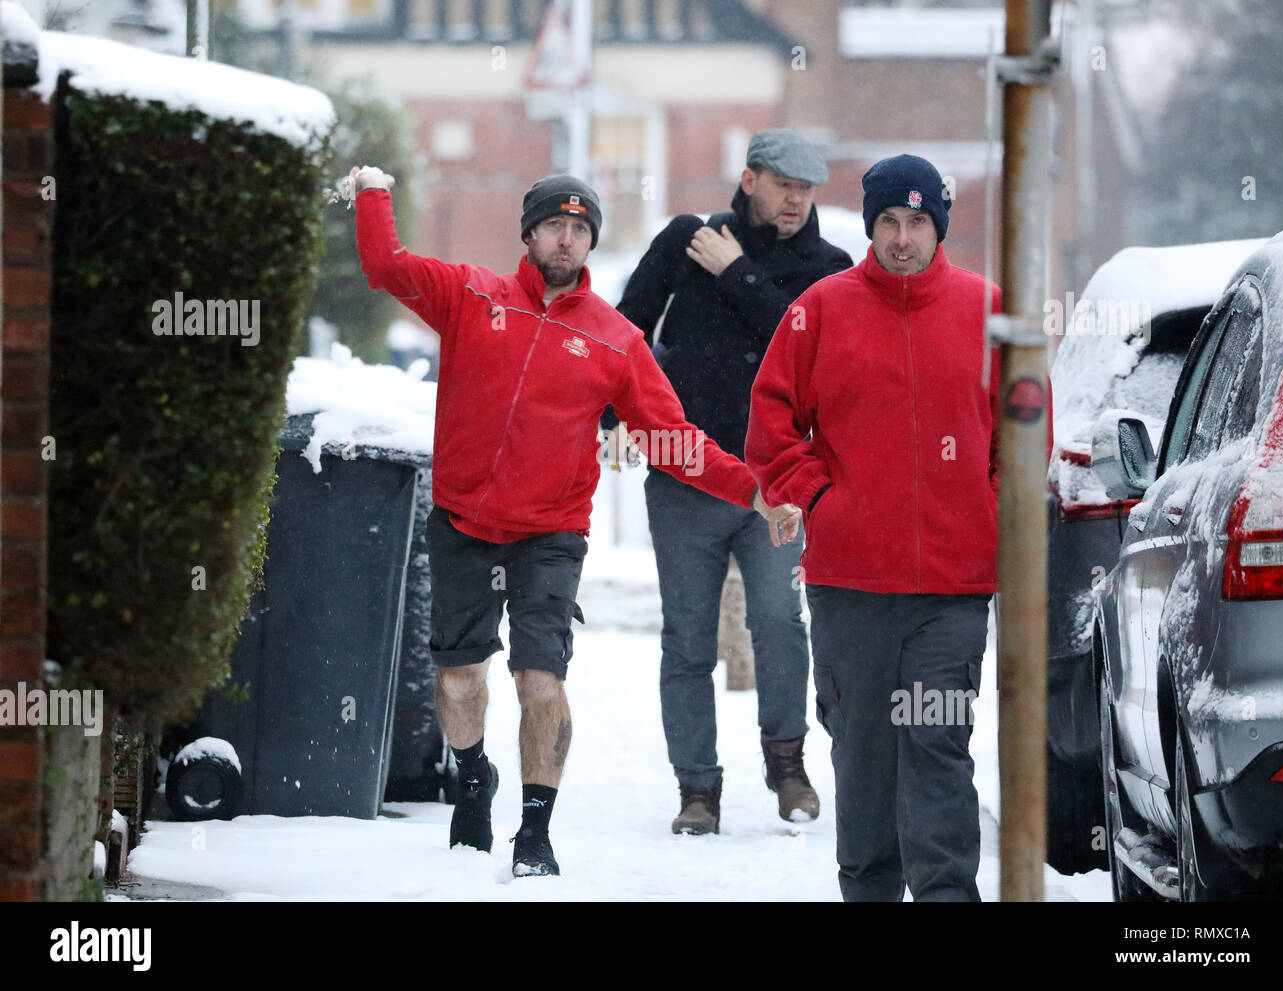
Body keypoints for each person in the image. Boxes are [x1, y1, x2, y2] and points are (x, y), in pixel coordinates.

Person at [349, 166, 801, 878]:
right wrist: (373, 192)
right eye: (555, 224)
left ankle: (535, 830)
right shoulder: (471, 295)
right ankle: (472, 778)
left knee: (539, 680)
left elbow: (672, 439)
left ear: (590, 242)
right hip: (465, 520)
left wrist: (753, 490)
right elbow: (384, 267)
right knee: (460, 680)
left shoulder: (617, 339)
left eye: (581, 228)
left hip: (550, 534)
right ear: (528, 232)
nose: (567, 237)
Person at [746, 154, 1000, 901]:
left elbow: (1024, 438)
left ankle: (949, 891)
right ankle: (870, 889)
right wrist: (821, 500)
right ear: (869, 226)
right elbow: (770, 425)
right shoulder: (819, 310)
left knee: (939, 743)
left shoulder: (988, 312)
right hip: (849, 586)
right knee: (863, 753)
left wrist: (989, 516)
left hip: (952, 591)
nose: (901, 237)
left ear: (938, 228)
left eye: (917, 222)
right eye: (888, 221)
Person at [606, 129, 852, 835]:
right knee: (688, 638)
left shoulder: (826, 265)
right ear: (749, 180)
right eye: (783, 186)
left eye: (807, 190)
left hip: (775, 482)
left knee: (778, 621)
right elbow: (625, 331)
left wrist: (740, 272)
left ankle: (786, 763)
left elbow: (806, 349)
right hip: (684, 475)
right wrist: (612, 415)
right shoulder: (687, 240)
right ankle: (698, 789)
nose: (795, 201)